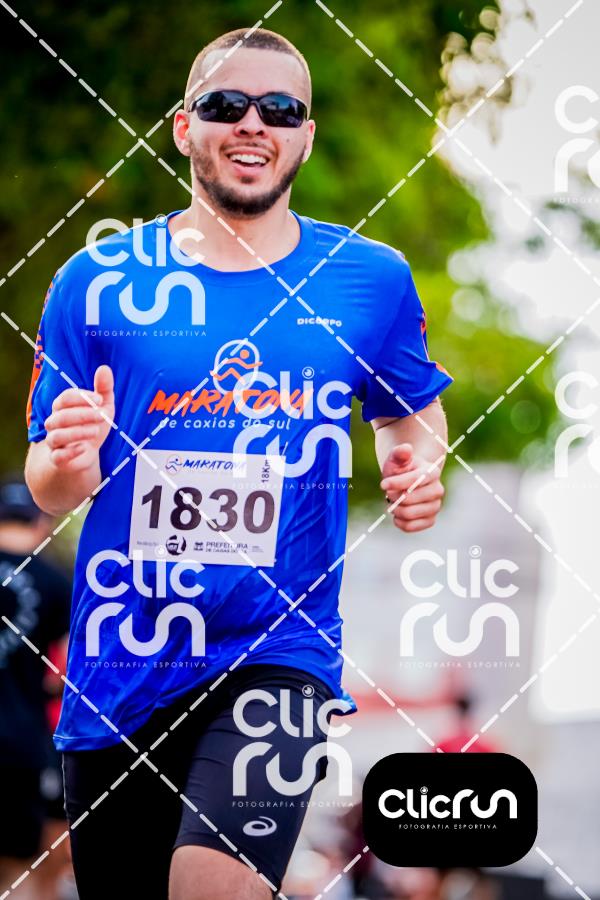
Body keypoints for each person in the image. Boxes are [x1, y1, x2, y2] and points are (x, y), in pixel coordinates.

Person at [24, 27, 452, 900]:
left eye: (280, 109)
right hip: (124, 663)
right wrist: (70, 458)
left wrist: (414, 466)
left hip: (280, 652)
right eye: (226, 104)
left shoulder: (368, 279)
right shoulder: (96, 280)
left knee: (212, 884)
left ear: (305, 136)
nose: (253, 123)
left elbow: (408, 409)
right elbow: (50, 485)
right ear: (185, 127)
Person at [0, 477, 72, 899]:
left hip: (22, 747)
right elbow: (67, 671)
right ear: (41, 522)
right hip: (20, 746)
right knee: (20, 875)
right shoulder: (54, 581)